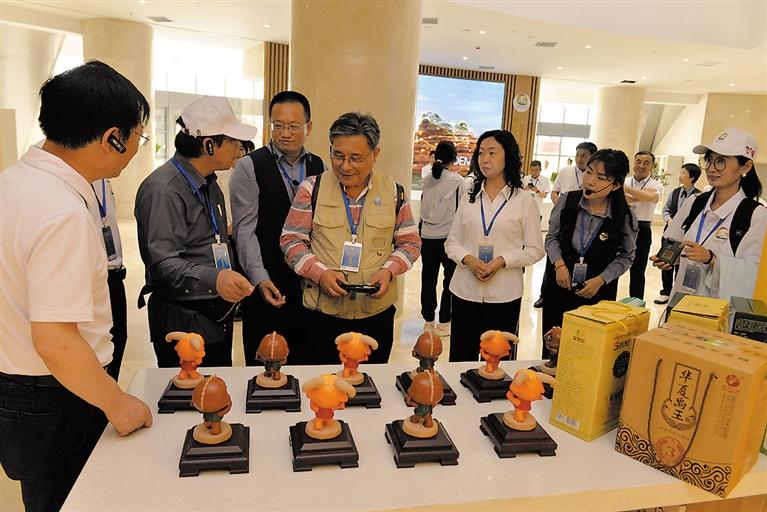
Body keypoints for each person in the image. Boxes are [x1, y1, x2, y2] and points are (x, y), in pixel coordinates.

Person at [0, 61, 153, 512]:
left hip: (19, 386)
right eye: (138, 137)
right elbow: (55, 340)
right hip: (56, 394)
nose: (136, 149)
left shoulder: (13, 182)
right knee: (70, 499)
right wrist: (117, 404)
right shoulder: (60, 211)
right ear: (112, 138)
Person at [280, 112, 421, 364]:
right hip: (322, 315)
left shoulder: (393, 192)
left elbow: (410, 243)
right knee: (322, 382)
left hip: (375, 315)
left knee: (369, 382)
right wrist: (320, 273)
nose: (345, 166)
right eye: (338, 156)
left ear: (375, 154)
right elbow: (291, 240)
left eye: (355, 158)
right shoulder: (312, 188)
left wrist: (388, 271)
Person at [135, 96, 258, 368]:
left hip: (214, 315)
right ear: (209, 144)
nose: (239, 148)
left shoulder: (209, 182)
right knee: (190, 391)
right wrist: (216, 278)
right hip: (184, 323)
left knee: (218, 388)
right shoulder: (164, 190)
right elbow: (163, 264)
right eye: (233, 141)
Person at [230, 91, 325, 365]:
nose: (284, 133)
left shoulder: (318, 165)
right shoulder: (250, 166)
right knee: (265, 361)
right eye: (278, 125)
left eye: (293, 126)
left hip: (307, 283)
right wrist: (260, 279)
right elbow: (244, 231)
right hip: (266, 278)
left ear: (308, 127)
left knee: (304, 359)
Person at [445, 130, 544, 361]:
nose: (484, 159)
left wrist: (502, 261)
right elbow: (451, 242)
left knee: (497, 362)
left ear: (508, 156)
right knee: (461, 358)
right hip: (465, 291)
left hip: (504, 295)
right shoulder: (469, 197)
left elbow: (535, 250)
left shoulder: (524, 200)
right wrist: (469, 260)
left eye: (492, 152)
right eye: (481, 153)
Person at [541, 149, 638, 357]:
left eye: (601, 177)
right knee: (552, 348)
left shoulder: (624, 216)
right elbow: (551, 237)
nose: (590, 181)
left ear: (616, 185)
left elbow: (627, 256)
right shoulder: (567, 200)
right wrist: (559, 265)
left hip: (597, 296)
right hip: (559, 287)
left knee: (586, 355)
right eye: (588, 172)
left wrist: (601, 280)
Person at [652, 127, 766, 301]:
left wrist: (711, 259)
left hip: (718, 310)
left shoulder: (756, 215)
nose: (711, 168)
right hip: (681, 302)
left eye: (721, 161)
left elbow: (754, 273)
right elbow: (674, 241)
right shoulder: (694, 202)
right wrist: (668, 258)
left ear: (746, 166)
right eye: (709, 160)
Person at [536, 141, 597, 308]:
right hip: (564, 220)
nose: (579, 158)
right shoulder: (565, 171)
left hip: (585, 223)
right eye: (577, 155)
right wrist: (562, 209)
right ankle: (544, 295)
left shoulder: (594, 177)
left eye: (584, 155)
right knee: (553, 260)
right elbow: (555, 192)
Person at [419, 140, 465, 336]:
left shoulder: (427, 179)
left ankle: (428, 321)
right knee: (450, 281)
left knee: (428, 280)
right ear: (454, 159)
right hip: (449, 238)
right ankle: (445, 322)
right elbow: (464, 211)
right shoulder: (458, 181)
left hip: (427, 237)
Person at [91, 178, 129, 380]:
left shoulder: (104, 180)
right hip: (93, 277)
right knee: (98, 346)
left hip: (114, 274)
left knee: (117, 338)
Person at [654, 163, 702, 304]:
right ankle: (665, 292)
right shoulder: (675, 192)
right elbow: (666, 209)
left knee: (682, 264)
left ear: (692, 177)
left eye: (683, 173)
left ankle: (677, 292)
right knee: (666, 261)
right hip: (670, 234)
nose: (680, 175)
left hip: (687, 237)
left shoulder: (699, 196)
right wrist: (669, 220)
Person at [623, 151, 664, 300]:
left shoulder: (656, 184)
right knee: (611, 267)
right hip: (622, 226)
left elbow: (651, 197)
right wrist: (641, 195)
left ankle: (636, 304)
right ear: (633, 163)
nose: (641, 165)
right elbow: (641, 197)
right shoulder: (627, 180)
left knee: (638, 271)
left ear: (652, 166)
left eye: (646, 162)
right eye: (638, 161)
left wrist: (626, 192)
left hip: (642, 229)